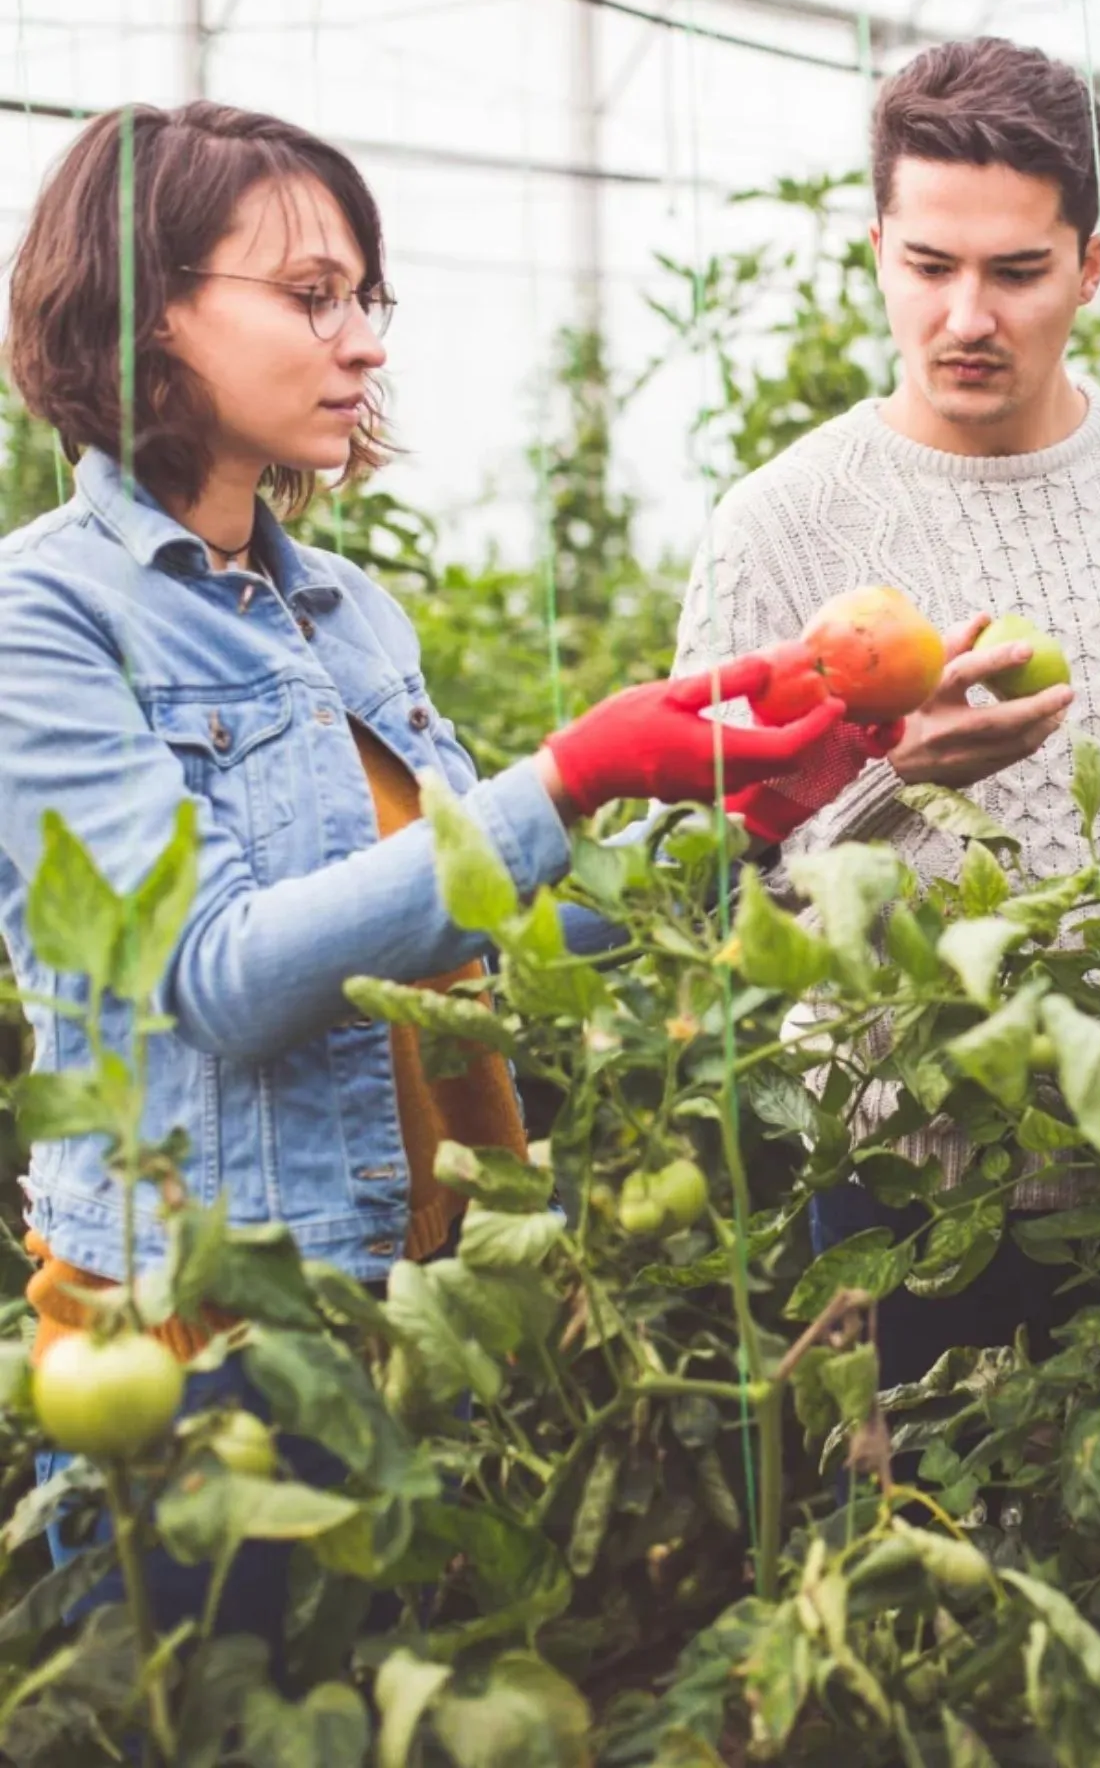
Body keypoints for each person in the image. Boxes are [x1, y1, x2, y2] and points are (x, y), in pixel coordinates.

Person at [0, 100, 895, 1648]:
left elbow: (490, 945)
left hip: (424, 1309)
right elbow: (224, 980)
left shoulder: (345, 612)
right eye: (310, 296)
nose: (363, 343)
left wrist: (740, 804)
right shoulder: (45, 623)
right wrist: (570, 771)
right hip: (209, 1356)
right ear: (147, 309)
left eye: (367, 298)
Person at [674, 35, 1100, 1389]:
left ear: (1089, 266)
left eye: (1016, 272)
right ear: (877, 250)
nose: (966, 316)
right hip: (905, 1176)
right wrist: (891, 779)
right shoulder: (780, 526)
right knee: (931, 1553)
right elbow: (719, 884)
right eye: (929, 266)